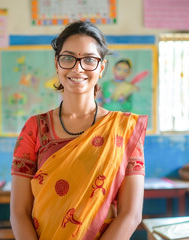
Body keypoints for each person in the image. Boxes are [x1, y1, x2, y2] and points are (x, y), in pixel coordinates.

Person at [10, 20, 148, 240]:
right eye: (68, 58)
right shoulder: (35, 128)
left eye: (89, 60)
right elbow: (19, 212)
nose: (78, 67)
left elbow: (131, 214)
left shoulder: (123, 130)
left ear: (101, 68)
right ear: (57, 64)